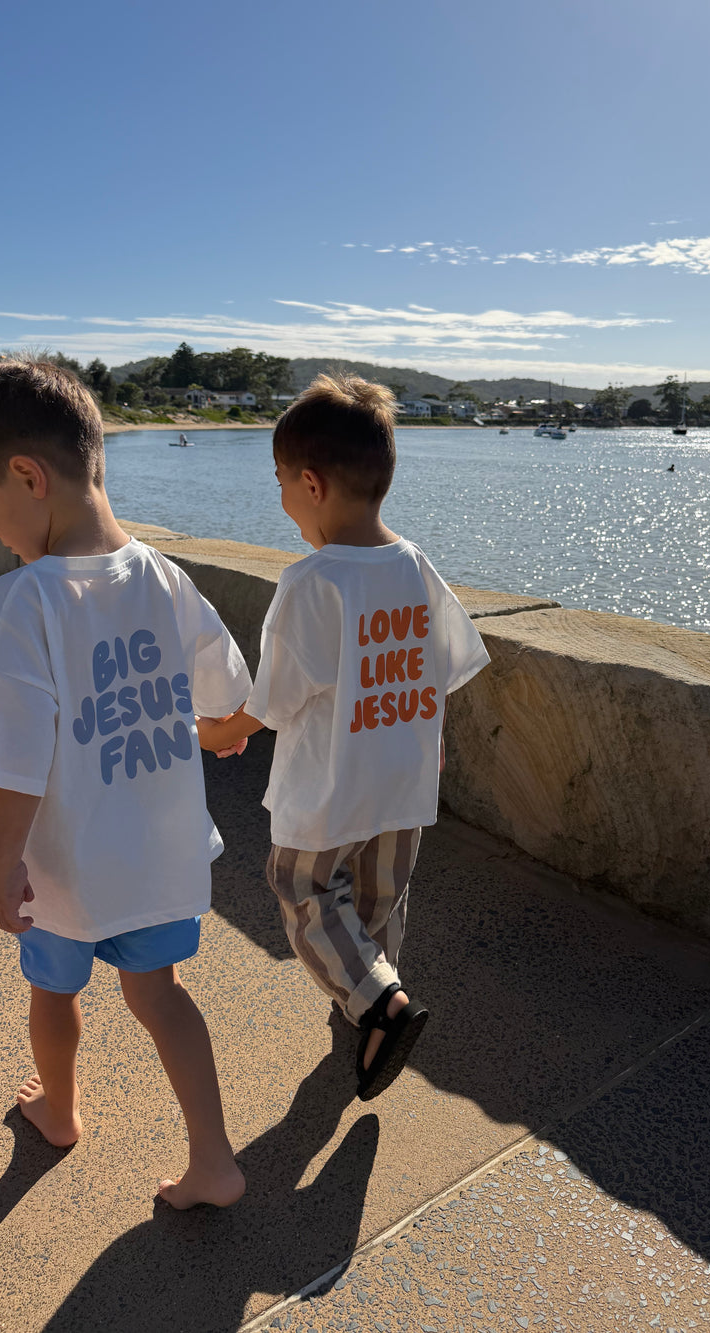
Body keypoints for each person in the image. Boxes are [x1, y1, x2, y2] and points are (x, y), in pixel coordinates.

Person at [0, 358, 251, 1209]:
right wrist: (210, 735)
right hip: (161, 864)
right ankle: (215, 1159)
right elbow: (230, 701)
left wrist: (3, 865)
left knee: (53, 990)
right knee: (161, 998)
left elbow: (17, 761)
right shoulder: (167, 578)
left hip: (68, 874)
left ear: (28, 477)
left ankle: (62, 1111)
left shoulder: (23, 603)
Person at [197, 374, 490, 1100]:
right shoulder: (416, 564)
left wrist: (218, 733)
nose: (284, 501)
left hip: (332, 786)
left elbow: (272, 701)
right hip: (404, 778)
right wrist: (431, 748)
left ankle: (380, 1004)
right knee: (376, 903)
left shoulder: (312, 583)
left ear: (310, 482)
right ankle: (366, 1007)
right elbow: (444, 669)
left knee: (302, 888)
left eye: (281, 485)